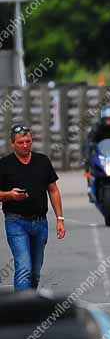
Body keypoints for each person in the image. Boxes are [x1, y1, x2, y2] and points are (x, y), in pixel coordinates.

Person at [0, 124, 66, 291]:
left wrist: (60, 219)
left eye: (28, 141)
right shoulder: (4, 165)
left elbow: (53, 190)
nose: (25, 145)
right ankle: (21, 312)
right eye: (21, 142)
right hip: (16, 222)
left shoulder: (42, 161)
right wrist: (10, 195)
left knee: (35, 272)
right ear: (12, 143)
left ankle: (29, 301)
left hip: (40, 222)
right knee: (24, 268)